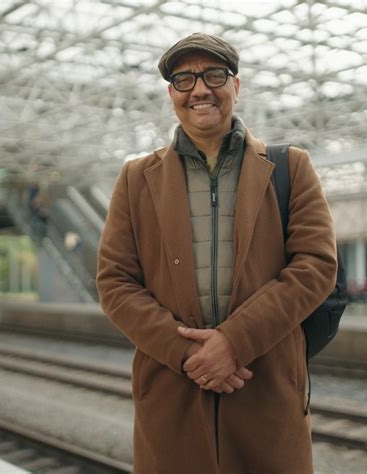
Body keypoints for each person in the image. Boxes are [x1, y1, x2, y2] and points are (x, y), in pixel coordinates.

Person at [96, 32, 337, 474]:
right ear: (171, 94)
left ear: (236, 87)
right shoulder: (136, 178)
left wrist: (234, 342)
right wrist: (189, 353)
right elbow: (114, 282)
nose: (200, 89)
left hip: (263, 385)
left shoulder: (290, 167)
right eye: (184, 79)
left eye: (214, 75)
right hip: (173, 389)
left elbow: (315, 266)